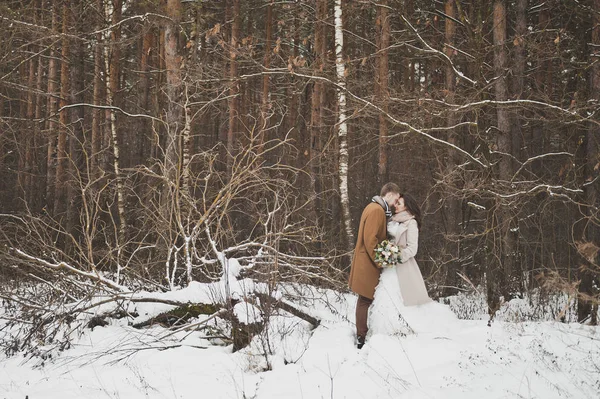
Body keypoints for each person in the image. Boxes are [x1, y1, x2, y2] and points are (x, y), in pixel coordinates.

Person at [368, 193, 431, 336]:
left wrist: (394, 256)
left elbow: (412, 249)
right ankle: (385, 331)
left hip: (403, 268)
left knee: (402, 299)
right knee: (385, 298)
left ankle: (402, 330)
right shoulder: (392, 220)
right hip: (388, 268)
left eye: (399, 203)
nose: (395, 205)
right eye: (396, 203)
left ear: (407, 207)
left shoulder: (411, 223)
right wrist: (385, 252)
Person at [348, 182, 401, 349]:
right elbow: (370, 240)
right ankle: (361, 338)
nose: (395, 204)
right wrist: (380, 261)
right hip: (368, 262)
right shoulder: (377, 210)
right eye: (396, 199)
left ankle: (362, 334)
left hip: (367, 260)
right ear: (390, 194)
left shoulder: (375, 207)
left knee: (365, 299)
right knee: (365, 299)